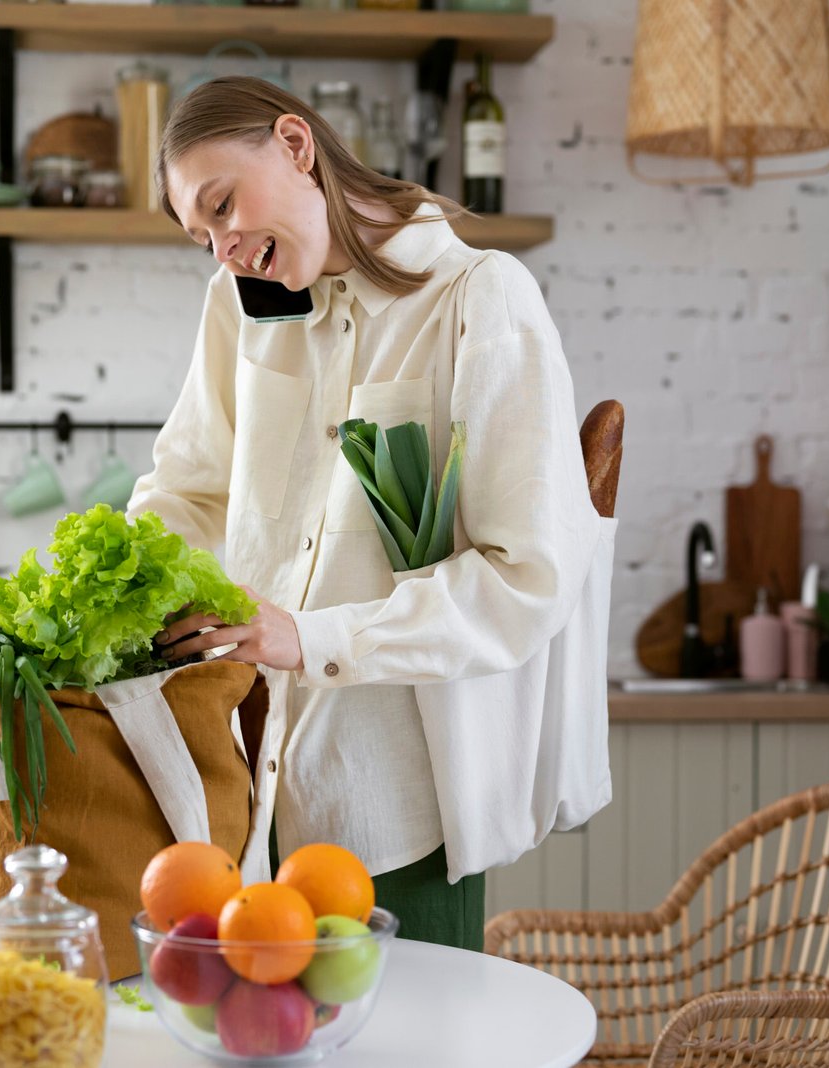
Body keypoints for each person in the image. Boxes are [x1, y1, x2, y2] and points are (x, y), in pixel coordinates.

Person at [127, 76, 615, 952]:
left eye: (224, 205)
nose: (221, 248)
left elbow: (525, 578)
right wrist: (117, 596)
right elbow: (189, 489)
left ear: (296, 144)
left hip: (395, 816)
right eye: (200, 234)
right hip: (239, 797)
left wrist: (307, 638)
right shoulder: (242, 309)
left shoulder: (479, 299)